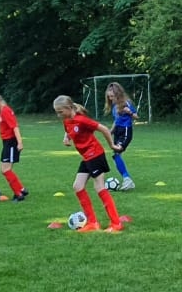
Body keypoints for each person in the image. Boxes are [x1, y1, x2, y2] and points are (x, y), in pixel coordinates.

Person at [54, 95, 123, 231]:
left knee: (99, 187)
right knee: (78, 186)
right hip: (86, 157)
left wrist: (112, 145)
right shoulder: (66, 120)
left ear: (69, 108)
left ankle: (116, 224)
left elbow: (104, 129)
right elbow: (68, 130)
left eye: (60, 112)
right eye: (57, 112)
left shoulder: (82, 120)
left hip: (95, 154)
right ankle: (93, 223)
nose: (58, 115)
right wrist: (66, 138)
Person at [0, 91, 28, 200]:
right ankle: (22, 189)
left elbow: (15, 127)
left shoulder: (5, 111)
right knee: (4, 169)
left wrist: (20, 142)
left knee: (6, 170)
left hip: (11, 143)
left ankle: (18, 194)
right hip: (7, 143)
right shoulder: (2, 111)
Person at [104, 82, 139, 190]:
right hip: (118, 131)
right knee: (116, 155)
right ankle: (127, 179)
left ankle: (127, 179)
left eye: (112, 96)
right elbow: (117, 120)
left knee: (117, 152)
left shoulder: (126, 103)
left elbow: (136, 116)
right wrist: (111, 131)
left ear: (118, 94)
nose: (110, 99)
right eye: (109, 97)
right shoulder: (115, 106)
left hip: (126, 131)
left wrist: (130, 113)